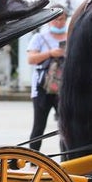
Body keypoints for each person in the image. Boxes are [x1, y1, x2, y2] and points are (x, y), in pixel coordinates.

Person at [25, 10, 67, 153]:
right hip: (42, 88)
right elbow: (31, 59)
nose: (59, 22)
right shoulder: (39, 37)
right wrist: (50, 53)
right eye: (55, 19)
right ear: (49, 21)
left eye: (62, 19)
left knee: (65, 125)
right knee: (39, 126)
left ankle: (66, 158)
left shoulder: (71, 36)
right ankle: (33, 161)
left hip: (64, 88)